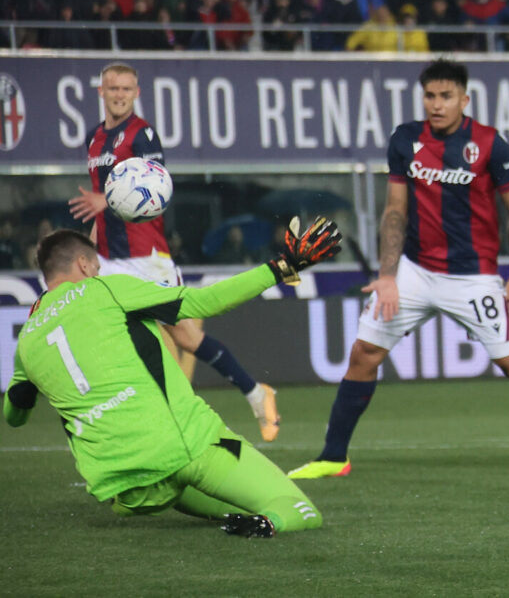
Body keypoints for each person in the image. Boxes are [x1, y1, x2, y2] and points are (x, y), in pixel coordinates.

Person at [288, 59, 509, 480]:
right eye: (430, 96)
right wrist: (387, 276)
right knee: (363, 354)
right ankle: (334, 457)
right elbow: (395, 211)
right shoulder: (406, 139)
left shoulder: (490, 144)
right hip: (415, 272)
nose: (437, 105)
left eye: (446, 96)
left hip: (473, 277)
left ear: (464, 99)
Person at [3, 221, 341, 536]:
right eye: (97, 267)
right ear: (84, 264)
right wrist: (285, 265)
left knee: (225, 507)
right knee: (300, 510)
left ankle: (238, 515)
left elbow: (14, 415)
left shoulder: (27, 340)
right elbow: (204, 301)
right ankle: (267, 524)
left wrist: (28, 388)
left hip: (127, 488)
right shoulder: (106, 288)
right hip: (187, 449)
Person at [67, 63, 281, 442]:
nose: (119, 95)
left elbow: (157, 191)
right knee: (105, 332)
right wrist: (91, 247)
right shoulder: (94, 138)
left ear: (136, 92)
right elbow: (99, 204)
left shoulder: (143, 134)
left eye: (126, 89)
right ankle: (124, 426)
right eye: (112, 88)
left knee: (184, 337)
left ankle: (254, 392)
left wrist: (108, 200)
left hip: (147, 255)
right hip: (110, 258)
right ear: (101, 91)